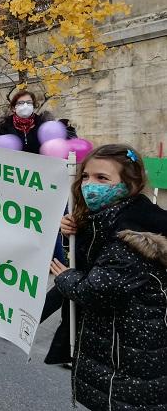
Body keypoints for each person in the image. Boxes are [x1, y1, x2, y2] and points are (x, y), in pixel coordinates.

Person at [49, 144, 167, 410]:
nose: (90, 185)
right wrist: (78, 230)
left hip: (129, 354)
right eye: (86, 177)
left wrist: (66, 278)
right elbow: (97, 255)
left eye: (102, 178)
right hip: (117, 346)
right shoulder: (117, 216)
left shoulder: (132, 236)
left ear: (130, 184)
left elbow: (96, 289)